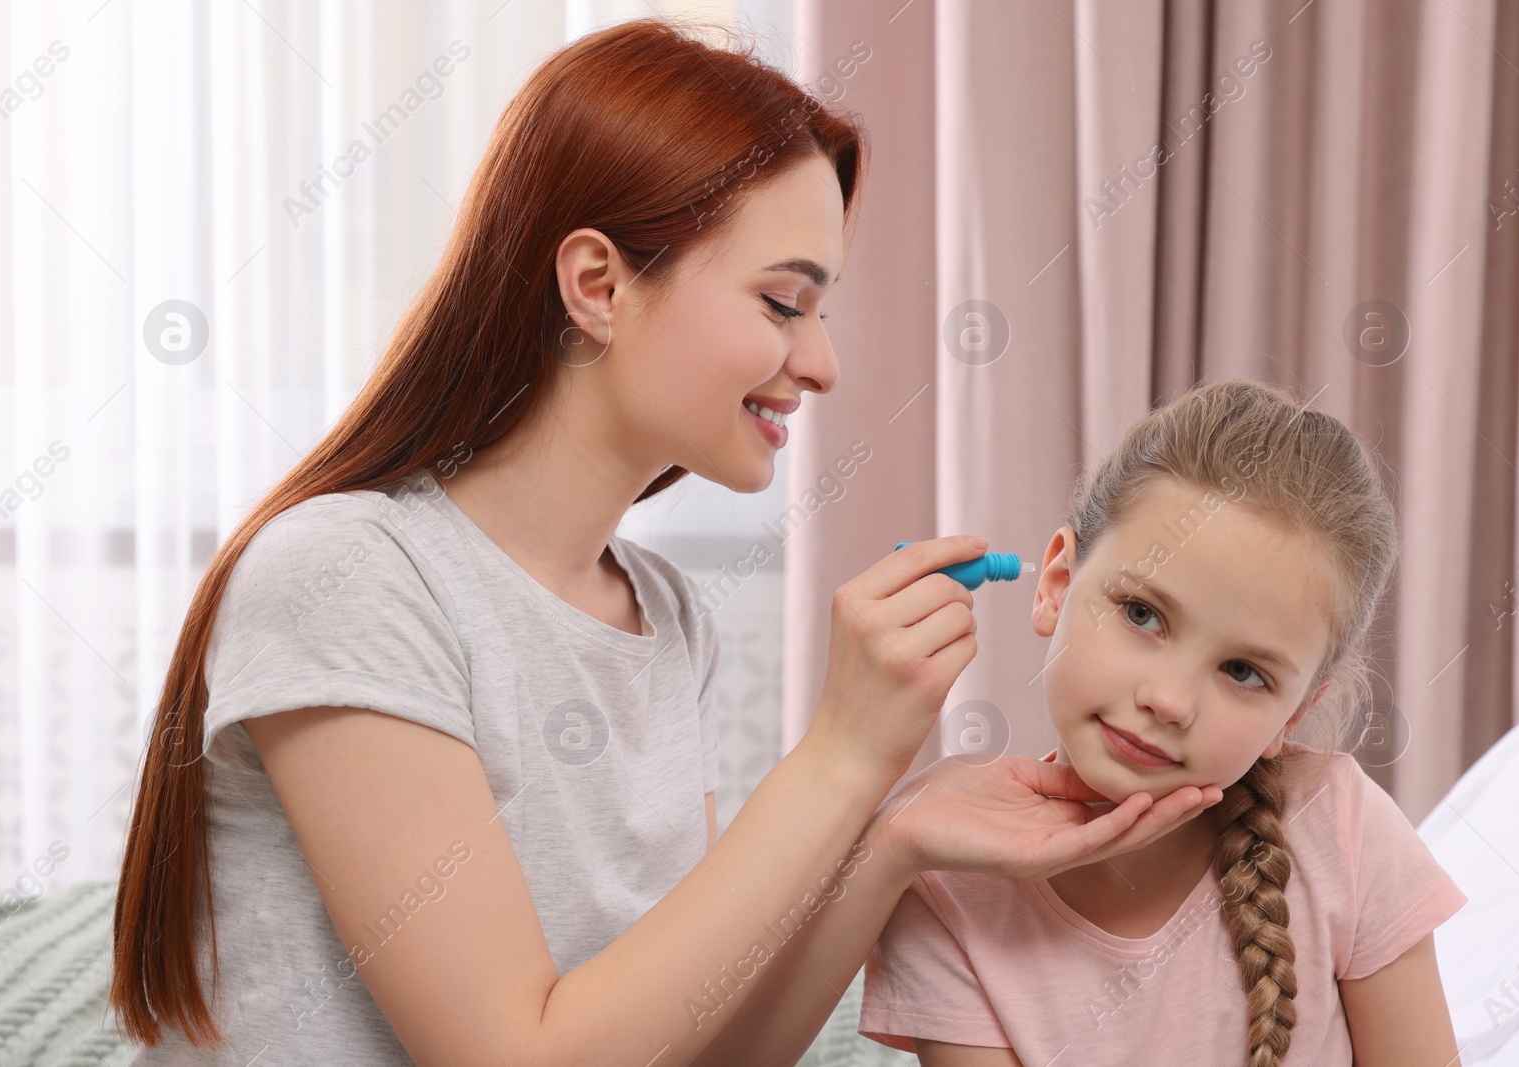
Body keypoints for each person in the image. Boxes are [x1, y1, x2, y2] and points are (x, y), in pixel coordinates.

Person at [109, 19, 1222, 1067]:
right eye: (786, 303)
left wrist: (892, 835)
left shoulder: (661, 612)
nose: (823, 363)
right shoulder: (346, 573)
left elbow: (695, 1049)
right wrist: (834, 751)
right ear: (598, 284)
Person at [858, 377, 1469, 1065]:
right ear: (1057, 584)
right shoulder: (951, 886)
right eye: (1142, 614)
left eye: (1243, 671)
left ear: (1292, 715)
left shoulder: (1345, 831)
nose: (1171, 700)